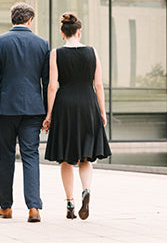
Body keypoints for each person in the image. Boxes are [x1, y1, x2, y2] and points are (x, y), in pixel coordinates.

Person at [0, 2, 50, 223]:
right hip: (33, 109)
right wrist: (48, 113)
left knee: (6, 156)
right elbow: (47, 81)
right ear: (30, 20)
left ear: (13, 19)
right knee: (31, 156)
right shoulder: (42, 44)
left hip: (6, 109)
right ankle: (34, 208)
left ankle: (6, 207)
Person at [42, 12, 111, 220]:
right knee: (85, 156)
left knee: (65, 158)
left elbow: (52, 86)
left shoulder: (55, 53)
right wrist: (102, 111)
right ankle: (86, 190)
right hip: (88, 104)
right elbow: (98, 85)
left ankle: (70, 203)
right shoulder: (92, 52)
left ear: (63, 33)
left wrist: (48, 114)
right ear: (79, 32)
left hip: (65, 106)